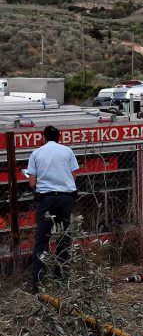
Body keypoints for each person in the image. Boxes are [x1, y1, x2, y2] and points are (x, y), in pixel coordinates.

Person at [27, 125, 79, 293]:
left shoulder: (36, 153)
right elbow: (73, 176)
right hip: (66, 198)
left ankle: (38, 283)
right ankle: (61, 277)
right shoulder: (67, 151)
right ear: (59, 137)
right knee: (64, 237)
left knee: (42, 240)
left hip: (46, 200)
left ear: (44, 138)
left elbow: (32, 183)